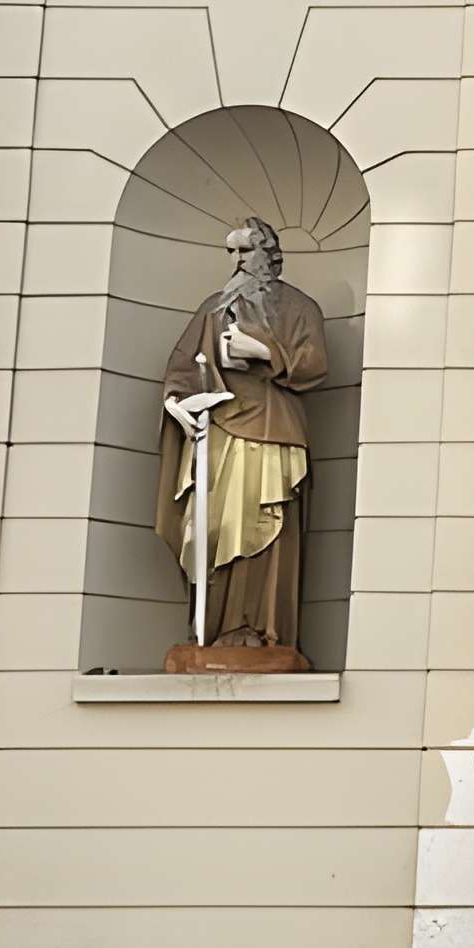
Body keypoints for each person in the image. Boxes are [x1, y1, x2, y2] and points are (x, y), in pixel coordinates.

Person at [155, 217, 331, 657]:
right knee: (214, 530)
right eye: (231, 252)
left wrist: (265, 352)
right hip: (218, 428)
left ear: (269, 254)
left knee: (263, 524)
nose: (237, 260)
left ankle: (262, 629)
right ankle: (214, 629)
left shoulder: (299, 307)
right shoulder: (213, 308)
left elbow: (314, 363)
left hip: (272, 426)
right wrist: (179, 403)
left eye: (245, 251)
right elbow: (182, 367)